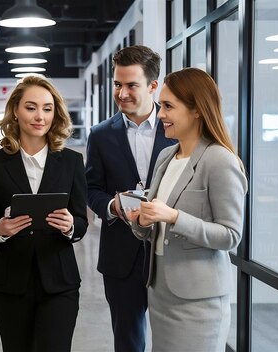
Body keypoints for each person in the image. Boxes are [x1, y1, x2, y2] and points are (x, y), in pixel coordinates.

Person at [127, 67, 247, 351]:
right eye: (161, 106)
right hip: (161, 293)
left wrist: (174, 217)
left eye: (168, 106)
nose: (160, 114)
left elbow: (230, 235)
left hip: (199, 303)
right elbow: (151, 230)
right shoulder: (166, 157)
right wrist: (142, 220)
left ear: (196, 110)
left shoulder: (219, 160)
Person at [0, 75, 88, 351]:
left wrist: (71, 225)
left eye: (47, 108)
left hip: (59, 283)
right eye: (31, 107)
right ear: (15, 109)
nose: (40, 116)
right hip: (10, 283)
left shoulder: (72, 162)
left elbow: (82, 221)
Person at [85, 45, 176, 351]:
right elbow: (92, 188)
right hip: (121, 256)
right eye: (117, 84)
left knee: (171, 340)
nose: (122, 93)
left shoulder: (176, 129)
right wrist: (113, 206)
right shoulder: (100, 134)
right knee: (128, 341)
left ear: (153, 86)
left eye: (131, 85)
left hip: (171, 253)